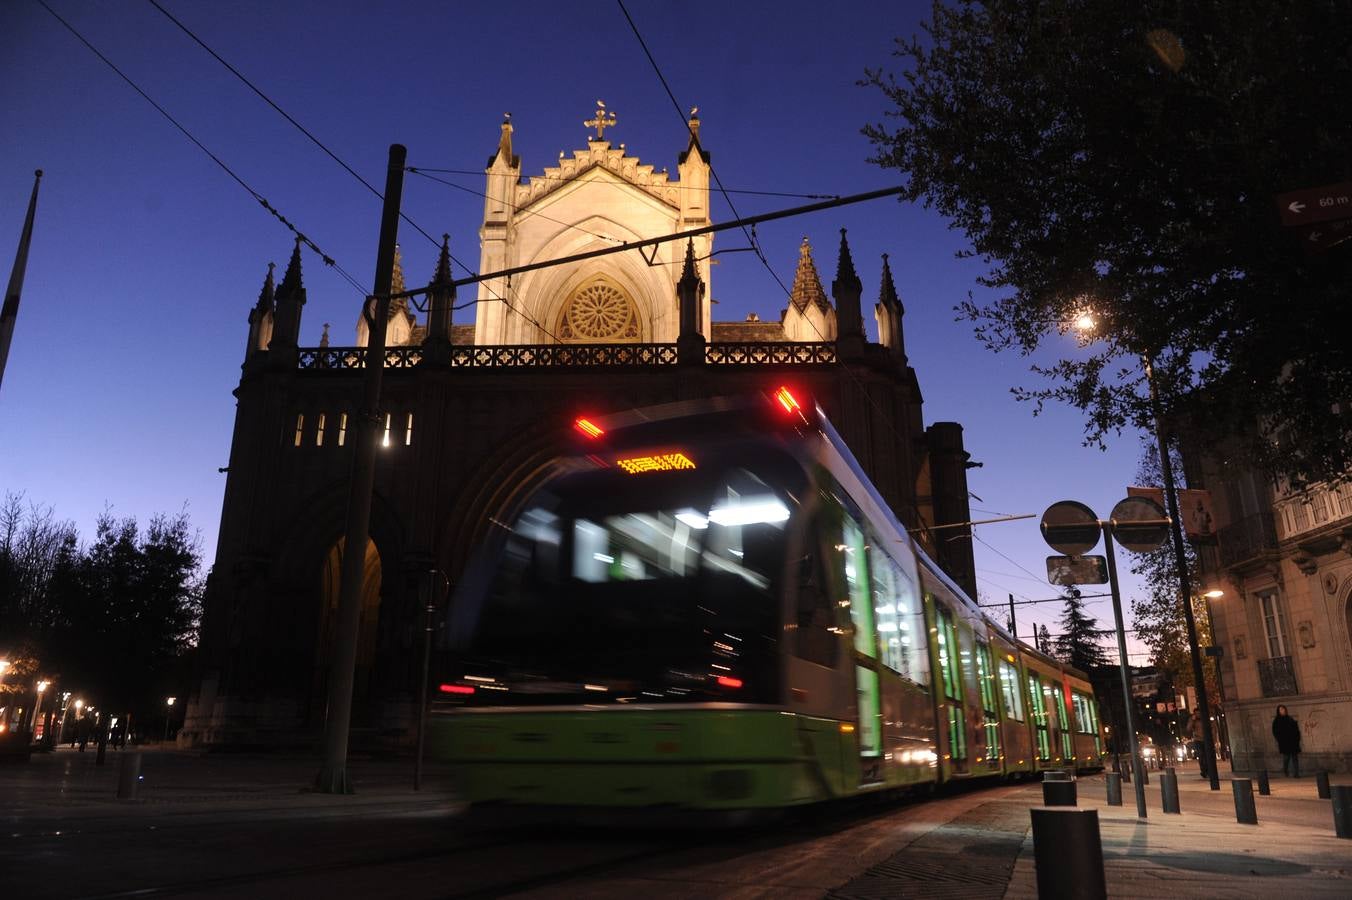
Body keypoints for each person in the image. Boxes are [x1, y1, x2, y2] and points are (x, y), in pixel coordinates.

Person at [1272, 705, 1301, 777]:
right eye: (1281, 710)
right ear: (1278, 711)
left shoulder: (1289, 718)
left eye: (1283, 709)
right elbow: (1275, 731)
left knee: (1295, 758)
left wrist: (1297, 737)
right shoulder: (1277, 720)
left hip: (1293, 741)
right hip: (1284, 742)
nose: (1283, 711)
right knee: (1286, 758)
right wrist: (1280, 739)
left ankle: (1296, 774)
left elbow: (1295, 728)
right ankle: (1285, 770)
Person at [1188, 711, 1207, 777]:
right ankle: (1203, 770)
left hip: (1206, 740)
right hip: (1198, 740)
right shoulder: (1193, 720)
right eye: (1196, 713)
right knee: (1201, 755)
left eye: (1199, 713)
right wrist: (1193, 720)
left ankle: (1207, 769)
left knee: (1207, 756)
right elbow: (1189, 728)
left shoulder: (1204, 718)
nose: (1198, 714)